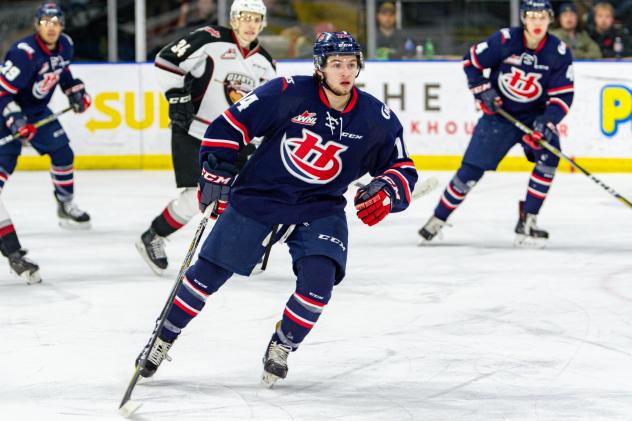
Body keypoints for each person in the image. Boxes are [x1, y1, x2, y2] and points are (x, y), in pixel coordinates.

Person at [134, 31, 418, 387]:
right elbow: (229, 126)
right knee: (205, 277)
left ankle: (281, 346)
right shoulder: (286, 92)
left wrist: (388, 190)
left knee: (319, 283)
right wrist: (216, 167)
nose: (345, 72)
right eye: (336, 64)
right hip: (260, 197)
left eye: (350, 64)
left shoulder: (376, 117)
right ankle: (162, 339)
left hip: (319, 207)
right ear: (320, 67)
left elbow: (402, 168)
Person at [418, 0, 574, 247]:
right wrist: (483, 90)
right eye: (532, 16)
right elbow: (471, 62)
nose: (536, 22)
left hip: (535, 117)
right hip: (499, 116)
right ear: (523, 18)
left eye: (542, 16)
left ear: (550, 19)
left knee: (550, 155)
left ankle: (528, 220)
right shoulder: (504, 40)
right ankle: (438, 218)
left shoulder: (559, 52)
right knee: (470, 170)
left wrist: (547, 122)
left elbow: (563, 95)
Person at [136, 0, 276, 275]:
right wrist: (177, 95)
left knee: (245, 195)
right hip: (193, 130)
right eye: (245, 17)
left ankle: (244, 246)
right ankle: (154, 235)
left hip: (233, 140)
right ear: (234, 19)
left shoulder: (266, 63)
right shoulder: (210, 39)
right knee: (198, 195)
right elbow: (166, 61)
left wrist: (263, 138)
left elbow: (265, 108)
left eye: (256, 19)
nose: (250, 24)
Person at [0, 3, 92, 284]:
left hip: (38, 113)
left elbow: (62, 73)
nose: (51, 26)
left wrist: (74, 90)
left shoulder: (65, 45)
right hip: (9, 112)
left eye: (56, 21)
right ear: (37, 24)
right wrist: (14, 121)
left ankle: (65, 204)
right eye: (45, 21)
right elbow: (2, 94)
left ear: (62, 26)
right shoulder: (23, 53)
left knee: (63, 153)